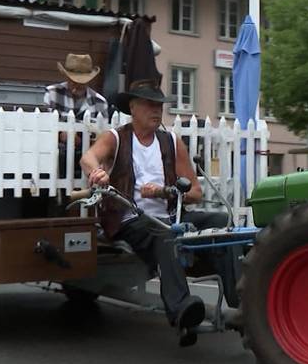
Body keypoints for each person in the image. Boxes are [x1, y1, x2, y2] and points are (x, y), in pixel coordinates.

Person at [80, 79, 228, 347]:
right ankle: (182, 310)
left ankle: (243, 300)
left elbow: (195, 192)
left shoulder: (171, 141)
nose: (156, 110)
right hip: (131, 218)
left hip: (171, 213)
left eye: (159, 105)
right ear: (133, 107)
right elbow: (88, 158)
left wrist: (165, 192)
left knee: (223, 224)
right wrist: (97, 172)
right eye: (150, 104)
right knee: (166, 234)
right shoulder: (116, 137)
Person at [44, 53, 111, 120]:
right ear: (67, 78)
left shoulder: (100, 102)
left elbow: (103, 129)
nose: (78, 85)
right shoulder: (52, 93)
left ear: (89, 80)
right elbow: (45, 123)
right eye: (74, 81)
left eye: (82, 82)